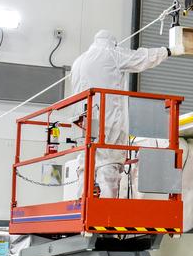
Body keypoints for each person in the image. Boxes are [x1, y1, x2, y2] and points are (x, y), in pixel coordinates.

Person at [69, 30, 175, 199]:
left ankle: (80, 205)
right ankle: (106, 209)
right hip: (107, 123)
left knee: (85, 163)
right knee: (108, 165)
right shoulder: (111, 54)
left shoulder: (78, 61)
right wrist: (168, 51)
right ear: (113, 43)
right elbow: (141, 58)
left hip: (83, 125)